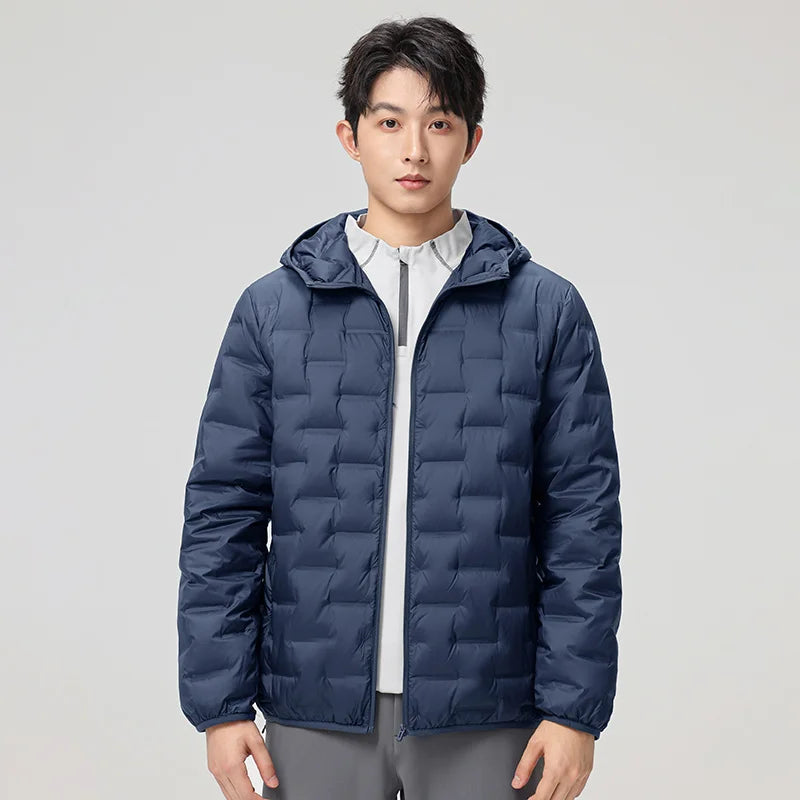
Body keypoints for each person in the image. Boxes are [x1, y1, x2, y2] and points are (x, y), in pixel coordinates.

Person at [177, 15, 623, 800]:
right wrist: (220, 705)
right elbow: (224, 511)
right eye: (389, 123)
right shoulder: (273, 310)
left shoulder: (546, 310)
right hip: (312, 708)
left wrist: (573, 710)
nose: (414, 149)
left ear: (472, 140)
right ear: (350, 136)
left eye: (438, 123)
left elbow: (582, 520)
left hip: (490, 713)